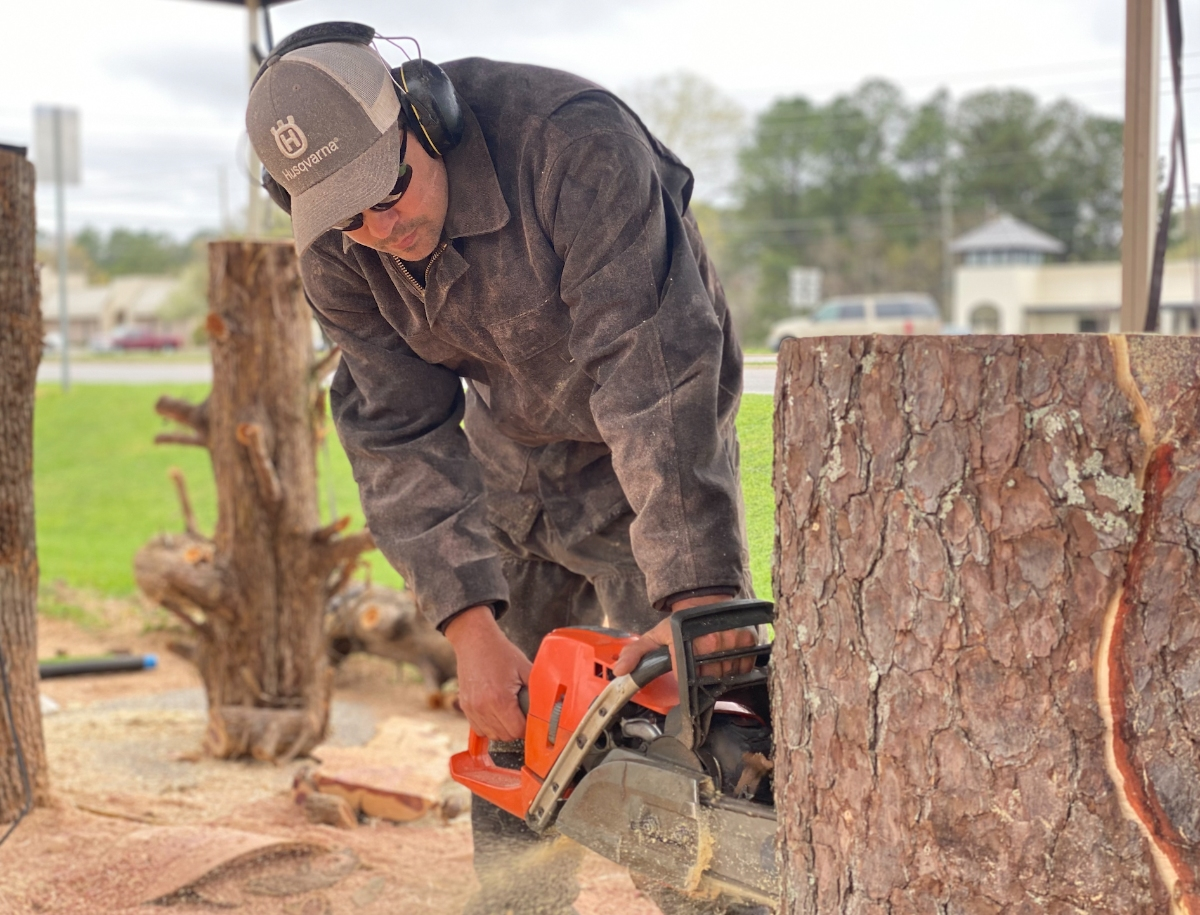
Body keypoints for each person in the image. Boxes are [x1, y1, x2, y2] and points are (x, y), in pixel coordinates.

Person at [247, 22, 758, 915]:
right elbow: (397, 428)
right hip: (508, 453)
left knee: (693, 720)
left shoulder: (571, 144)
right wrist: (468, 628)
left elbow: (654, 371)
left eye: (389, 187)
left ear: (426, 113)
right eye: (348, 214)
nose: (381, 226)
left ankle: (723, 899)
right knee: (515, 727)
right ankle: (523, 904)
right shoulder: (337, 244)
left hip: (649, 446)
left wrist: (696, 594)